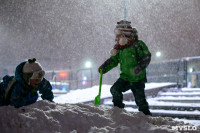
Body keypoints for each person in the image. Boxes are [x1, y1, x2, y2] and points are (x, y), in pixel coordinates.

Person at [98, 20, 152, 115]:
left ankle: (146, 117)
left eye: (118, 36)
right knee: (115, 89)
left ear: (125, 35)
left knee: (140, 101)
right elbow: (114, 60)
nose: (117, 38)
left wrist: (139, 68)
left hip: (137, 79)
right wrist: (104, 67)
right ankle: (118, 110)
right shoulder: (119, 48)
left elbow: (146, 56)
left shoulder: (138, 45)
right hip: (125, 78)